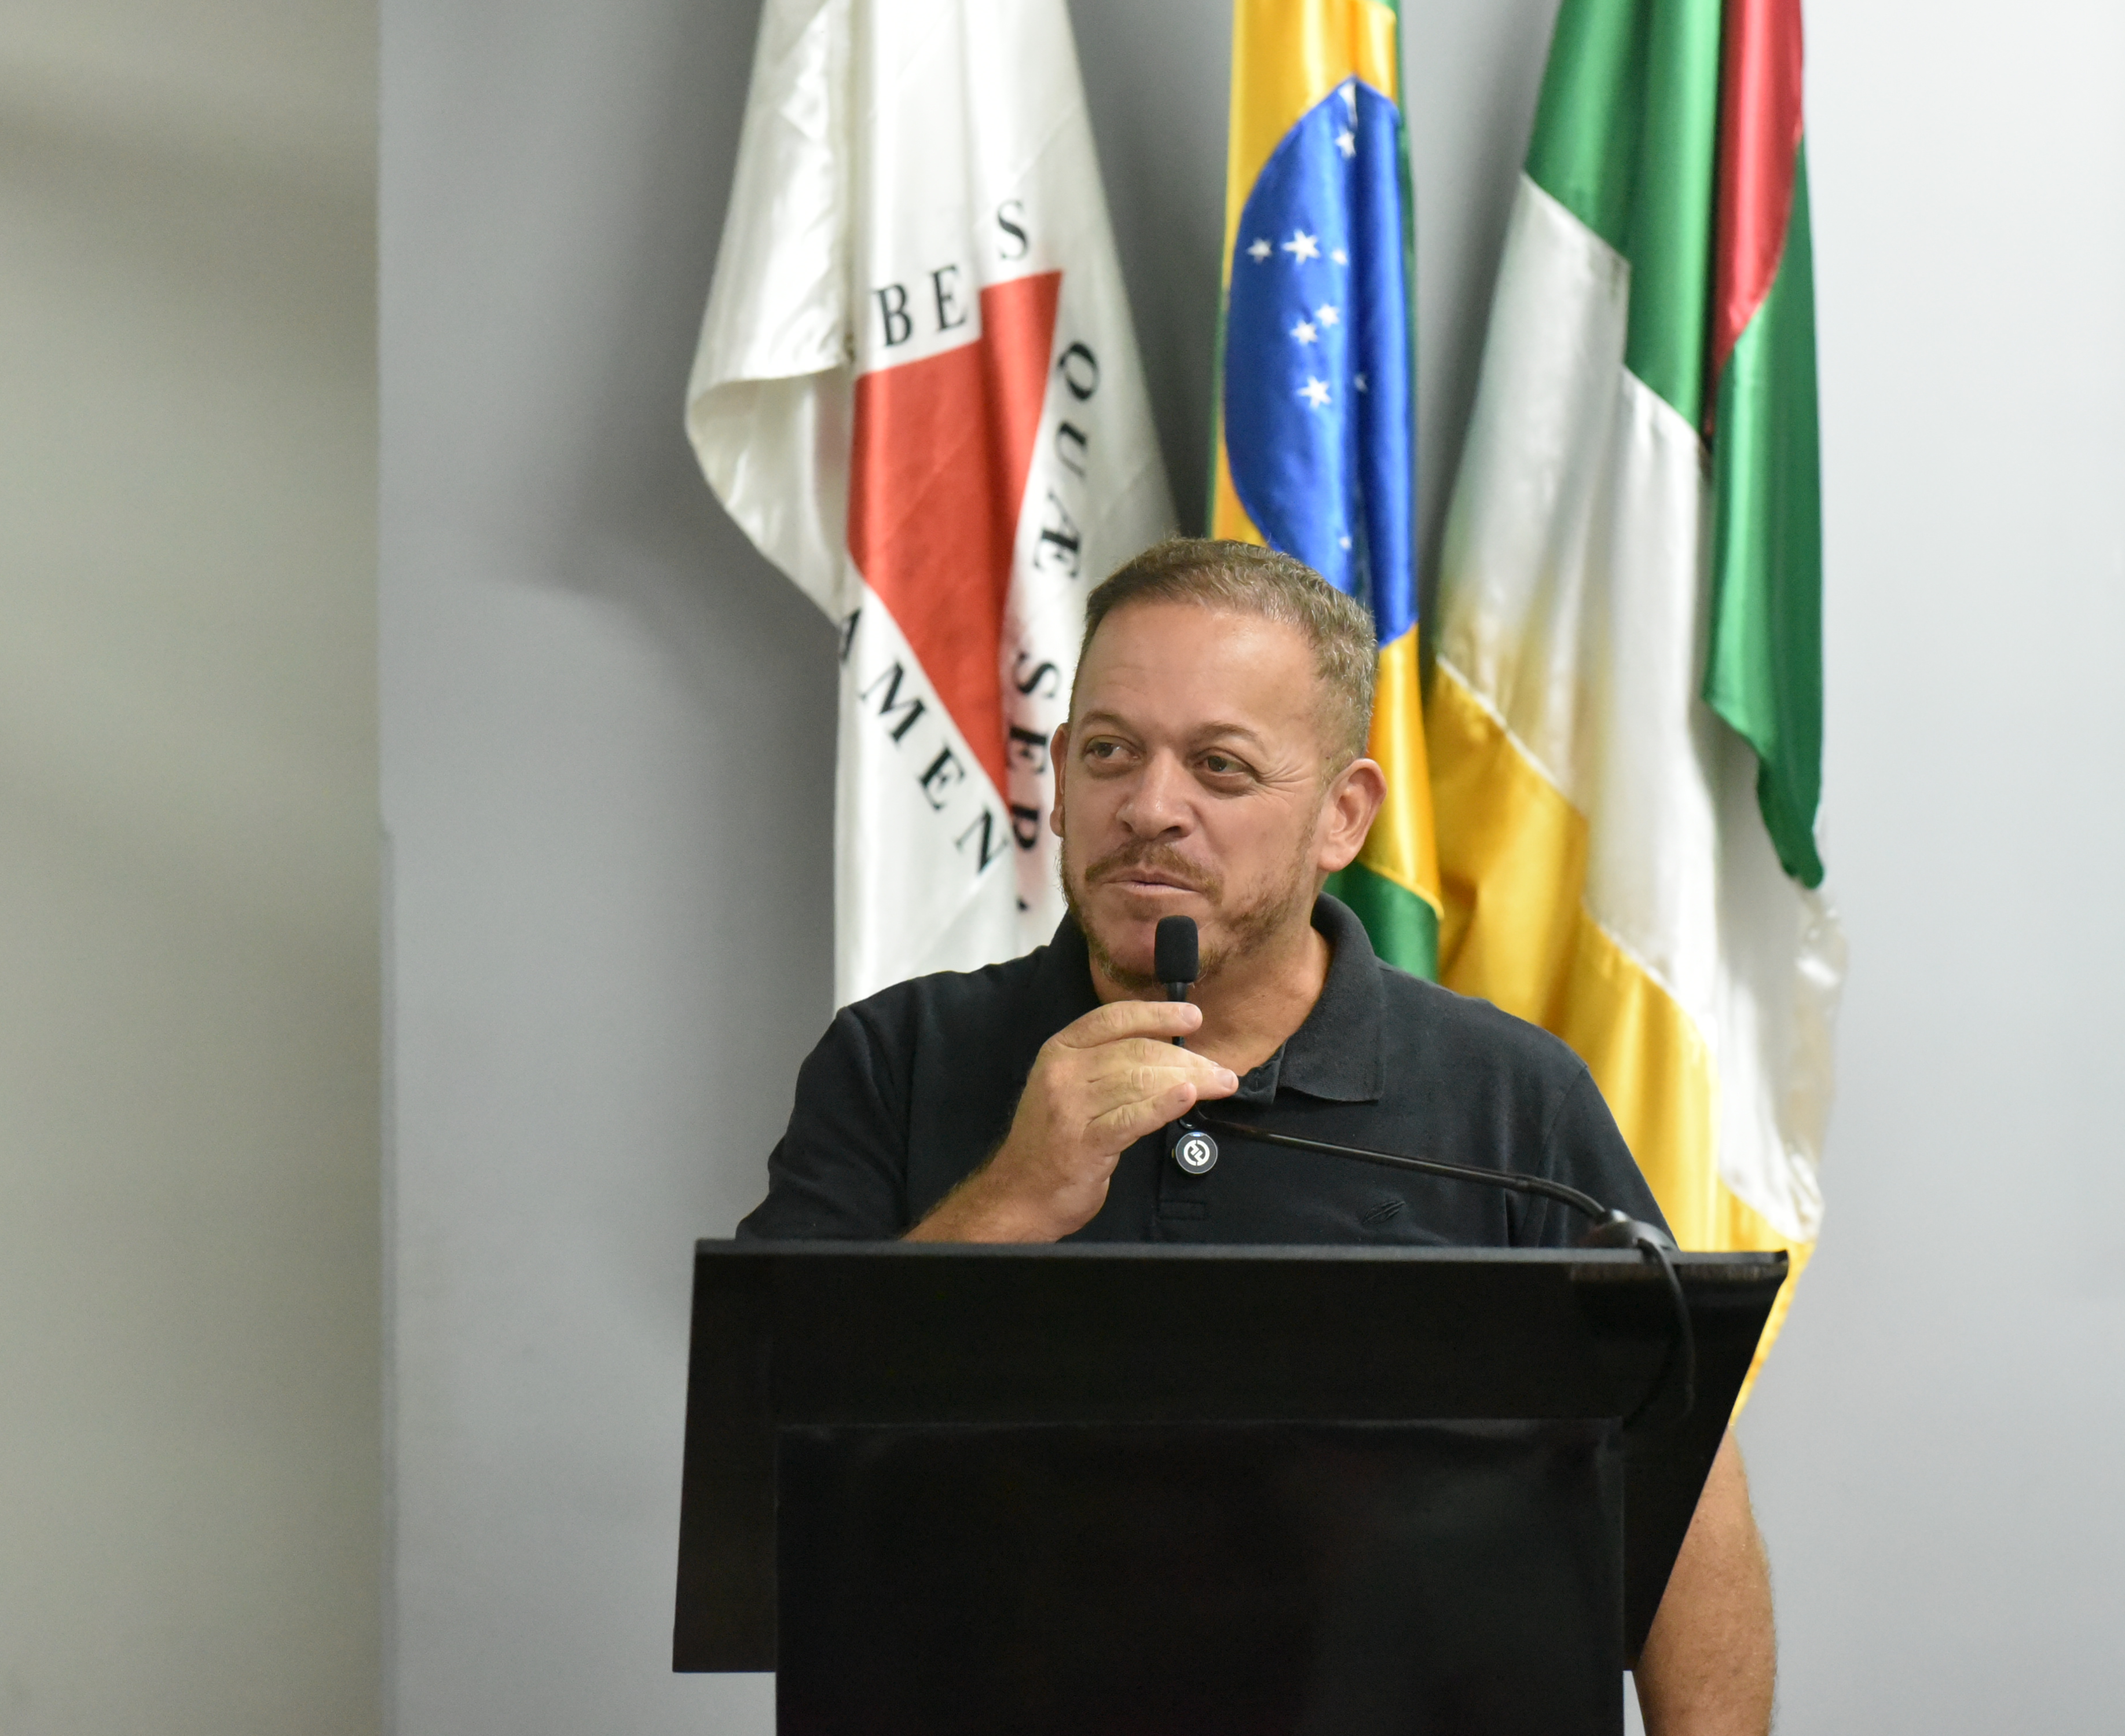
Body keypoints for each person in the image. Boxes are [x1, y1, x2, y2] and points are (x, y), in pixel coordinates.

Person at [742, 537, 1775, 1734]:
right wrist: (1012, 1199)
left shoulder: (1514, 1096)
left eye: (1220, 768)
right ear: (1061, 776)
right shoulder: (895, 1060)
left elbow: (1682, 1496)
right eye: (1110, 752)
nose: (1149, 810)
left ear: (1344, 815)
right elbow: (763, 1474)